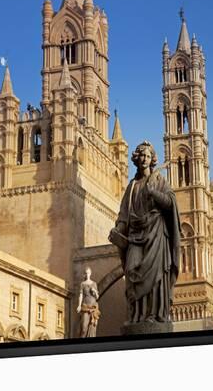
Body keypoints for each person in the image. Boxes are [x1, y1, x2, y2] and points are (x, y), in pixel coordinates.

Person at [109, 141, 181, 324]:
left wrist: (154, 193)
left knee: (156, 278)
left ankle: (153, 315)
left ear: (152, 159)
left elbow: (170, 203)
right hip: (135, 235)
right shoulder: (132, 185)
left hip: (156, 234)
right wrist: (118, 229)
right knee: (132, 271)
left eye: (148, 156)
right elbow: (124, 214)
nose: (144, 159)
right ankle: (136, 316)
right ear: (136, 158)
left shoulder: (159, 181)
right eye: (141, 155)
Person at [76, 267, 100, 337]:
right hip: (85, 306)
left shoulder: (94, 283)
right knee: (84, 327)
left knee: (92, 328)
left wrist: (94, 291)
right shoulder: (82, 284)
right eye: (86, 273)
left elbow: (97, 297)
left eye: (88, 273)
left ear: (90, 273)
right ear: (84, 274)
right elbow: (81, 295)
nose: (87, 275)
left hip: (93, 306)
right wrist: (79, 305)